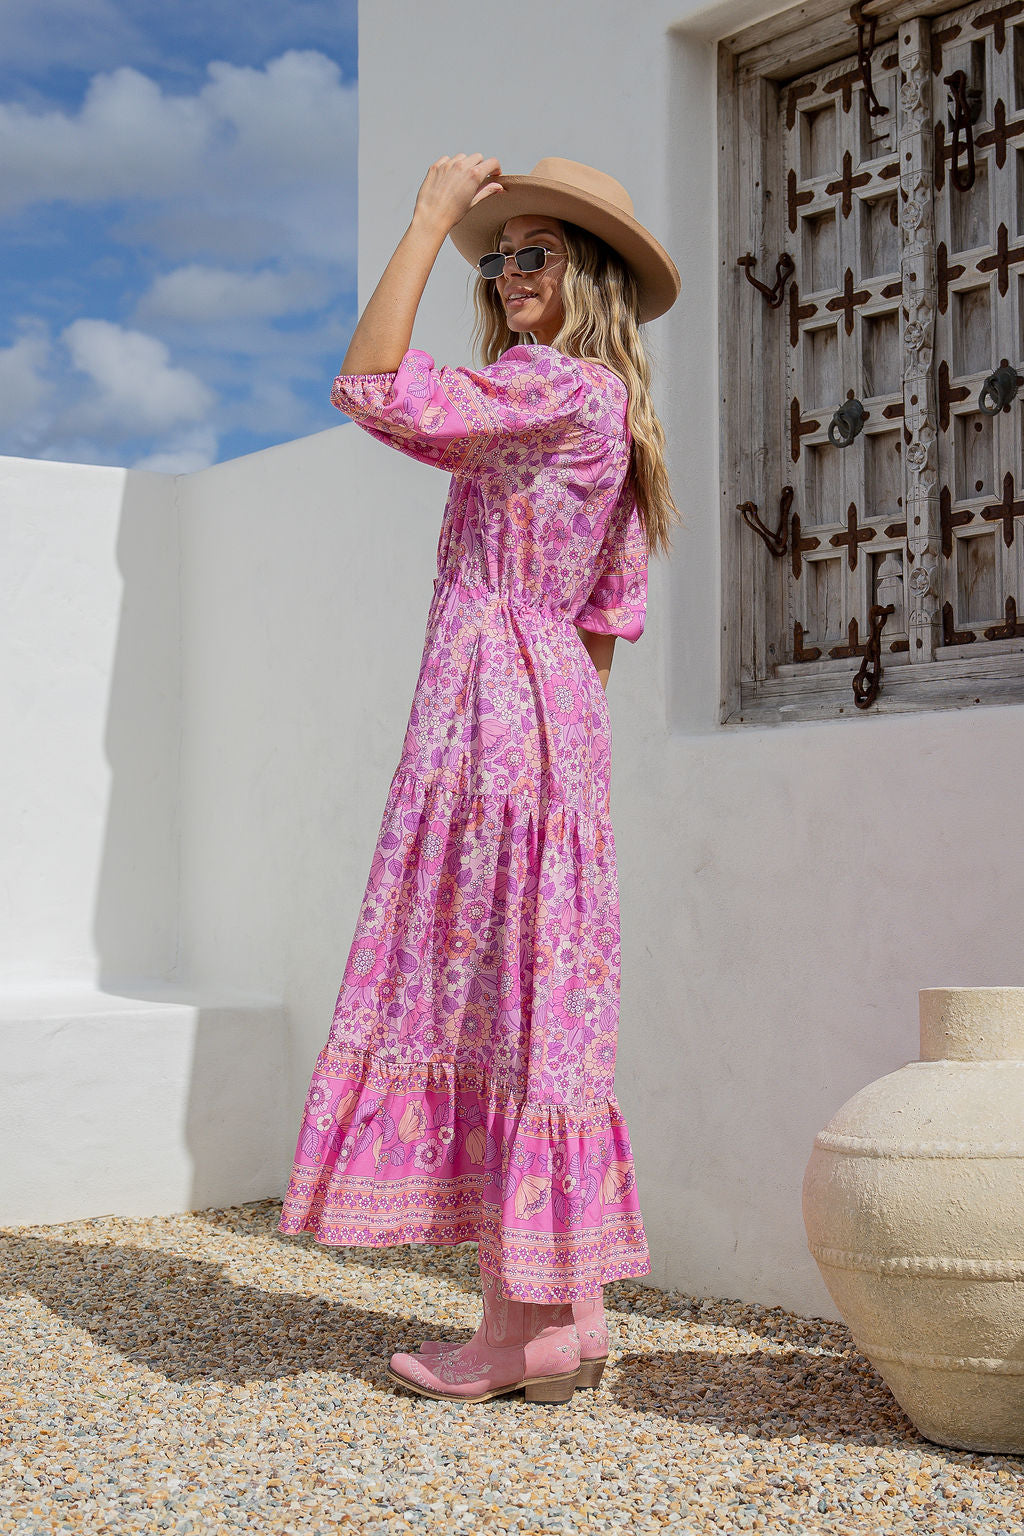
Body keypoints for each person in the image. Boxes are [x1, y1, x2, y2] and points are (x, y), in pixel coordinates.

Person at [278, 154, 681, 1404]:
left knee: (500, 1006)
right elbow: (610, 611)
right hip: (555, 714)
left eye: (535, 254)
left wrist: (429, 214)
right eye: (498, 255)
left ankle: (514, 1339)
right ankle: (565, 1312)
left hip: (495, 709)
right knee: (538, 1005)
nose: (508, 274)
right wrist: (560, 753)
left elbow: (369, 385)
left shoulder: (551, 386)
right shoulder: (608, 405)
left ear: (589, 276)